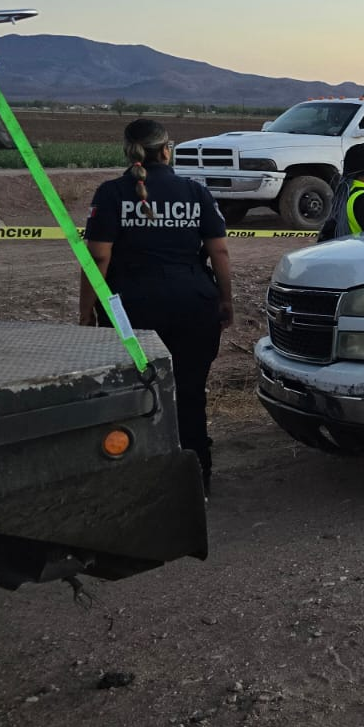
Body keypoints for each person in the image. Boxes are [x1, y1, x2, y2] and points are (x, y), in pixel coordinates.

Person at [79, 119, 233, 491]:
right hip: (194, 306)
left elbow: (98, 258)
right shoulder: (195, 192)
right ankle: (197, 480)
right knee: (191, 391)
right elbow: (219, 251)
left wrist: (86, 309)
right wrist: (226, 300)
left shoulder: (111, 193)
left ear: (128, 151)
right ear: (167, 150)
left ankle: (141, 478)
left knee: (134, 394)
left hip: (134, 313)